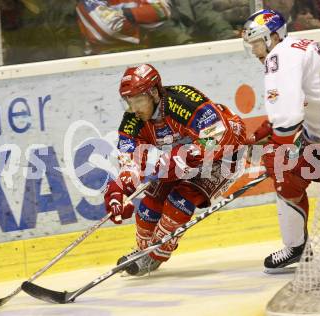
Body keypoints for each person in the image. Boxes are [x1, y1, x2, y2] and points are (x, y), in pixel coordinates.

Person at [104, 63, 246, 276]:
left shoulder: (184, 101)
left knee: (179, 201)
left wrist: (186, 157)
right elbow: (130, 159)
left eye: (139, 101)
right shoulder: (132, 120)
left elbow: (219, 135)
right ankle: (143, 252)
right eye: (129, 102)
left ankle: (154, 256)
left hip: (224, 154)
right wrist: (119, 188)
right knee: (147, 209)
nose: (134, 109)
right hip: (180, 156)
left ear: (154, 92)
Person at [242, 9, 320, 273]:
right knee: (289, 176)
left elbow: (289, 115)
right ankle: (297, 249)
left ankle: (297, 248)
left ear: (273, 36)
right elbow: (300, 103)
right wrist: (261, 134)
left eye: (257, 43)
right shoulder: (299, 46)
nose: (256, 52)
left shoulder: (279, 56)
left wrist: (278, 152)